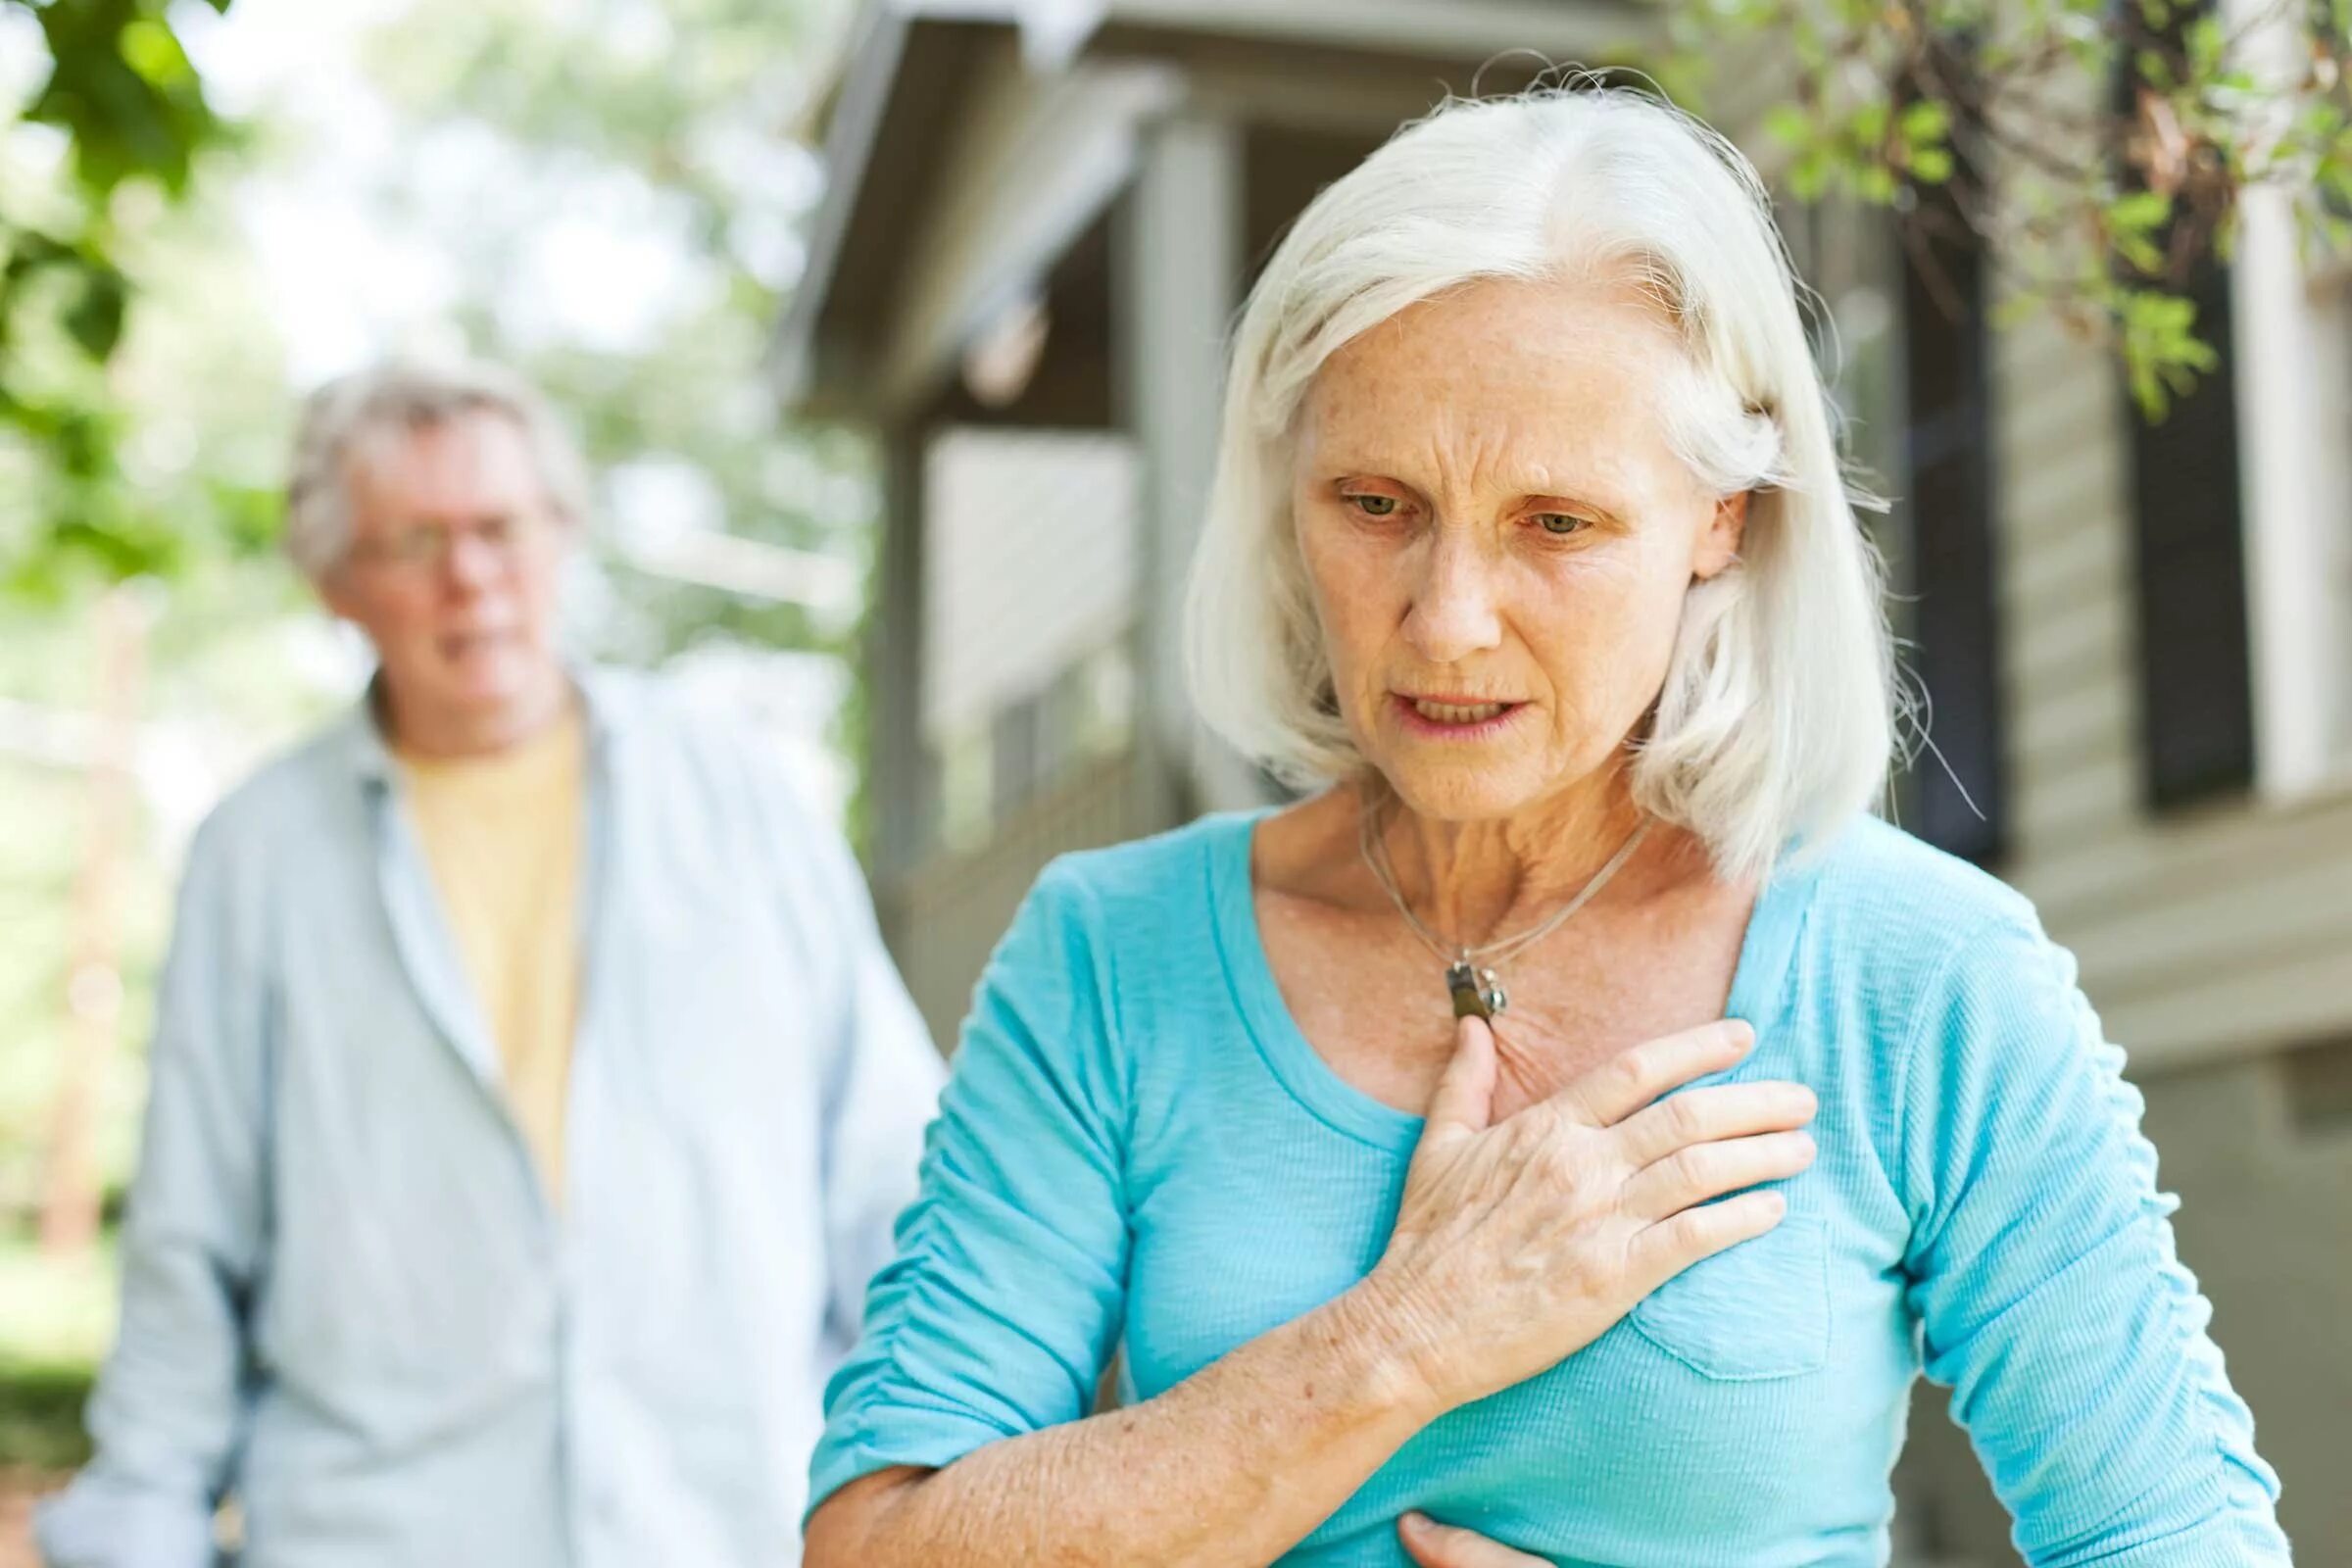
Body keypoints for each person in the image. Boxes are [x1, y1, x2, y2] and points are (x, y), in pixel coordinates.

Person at [799, 85, 2291, 1567]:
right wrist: (1407, 1334)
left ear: (1728, 520)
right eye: (1376, 503)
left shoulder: (1920, 975)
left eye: (1555, 524)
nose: (1445, 623)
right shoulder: (1114, 955)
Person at [37, 358, 944, 1568]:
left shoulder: (746, 802)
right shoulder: (253, 856)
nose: (469, 576)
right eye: (413, 539)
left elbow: (893, 1185)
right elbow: (187, 1249)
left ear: (563, 535)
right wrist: (141, 1528)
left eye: (500, 527)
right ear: (335, 581)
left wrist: (922, 1484)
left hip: (729, 1532)